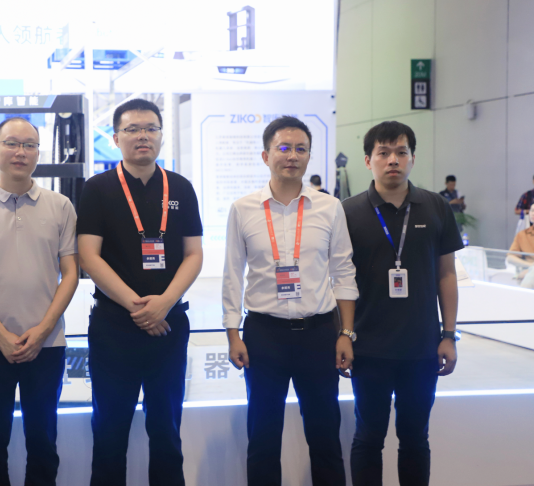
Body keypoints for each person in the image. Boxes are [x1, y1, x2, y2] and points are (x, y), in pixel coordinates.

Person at [223, 116, 358, 486]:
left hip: (319, 334)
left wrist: (346, 332)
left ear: (309, 156)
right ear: (265, 155)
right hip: (264, 336)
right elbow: (232, 274)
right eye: (283, 148)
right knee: (263, 438)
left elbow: (344, 272)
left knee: (325, 436)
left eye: (301, 149)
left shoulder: (329, 207)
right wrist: (233, 334)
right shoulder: (243, 208)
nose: (292, 156)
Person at [76, 98, 203, 486]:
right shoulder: (97, 188)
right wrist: (139, 308)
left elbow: (194, 254)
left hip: (169, 326)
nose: (142, 136)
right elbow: (89, 256)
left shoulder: (180, 187)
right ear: (116, 138)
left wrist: (164, 303)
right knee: (109, 433)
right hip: (114, 326)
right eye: (132, 129)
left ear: (161, 136)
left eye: (150, 128)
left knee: (166, 432)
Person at [0, 117, 79, 486]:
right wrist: (0, 335)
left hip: (47, 344)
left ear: (38, 153)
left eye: (29, 145)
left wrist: (42, 331)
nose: (20, 152)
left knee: (43, 442)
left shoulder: (61, 206)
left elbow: (71, 273)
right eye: (11, 143)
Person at [342, 121, 463, 486]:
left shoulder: (435, 206)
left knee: (415, 439)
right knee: (368, 438)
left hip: (421, 349)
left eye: (401, 152)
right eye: (383, 153)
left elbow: (446, 275)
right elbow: (340, 281)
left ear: (412, 157)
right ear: (368, 160)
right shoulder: (347, 212)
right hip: (369, 348)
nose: (392, 160)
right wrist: (344, 335)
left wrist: (449, 335)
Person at [508, 207, 534, 289]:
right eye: (532, 210)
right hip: (529, 271)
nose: (533, 213)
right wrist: (530, 267)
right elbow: (510, 258)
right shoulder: (522, 234)